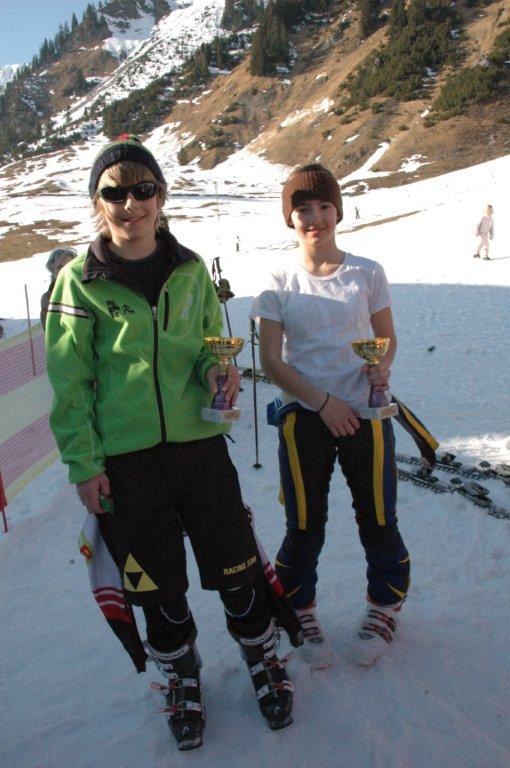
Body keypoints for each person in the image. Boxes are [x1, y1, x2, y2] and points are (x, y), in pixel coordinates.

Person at [45, 135, 293, 751]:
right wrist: (84, 465)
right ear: (97, 202)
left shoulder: (190, 270)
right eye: (114, 193)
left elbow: (210, 347)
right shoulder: (78, 282)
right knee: (156, 587)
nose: (130, 204)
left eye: (143, 189)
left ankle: (262, 656)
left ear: (160, 196)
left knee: (236, 569)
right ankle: (182, 676)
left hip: (199, 449)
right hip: (127, 462)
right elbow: (70, 384)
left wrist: (219, 373)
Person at [251, 163, 410, 669]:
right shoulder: (278, 280)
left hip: (367, 413)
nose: (315, 217)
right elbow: (271, 361)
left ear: (338, 211)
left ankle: (384, 605)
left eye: (324, 206)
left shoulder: (367, 272)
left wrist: (381, 367)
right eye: (302, 209)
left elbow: (385, 339)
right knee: (304, 524)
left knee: (378, 518)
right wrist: (322, 402)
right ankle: (299, 610)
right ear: (290, 218)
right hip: (305, 416)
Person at [40, 246, 77, 328]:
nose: (65, 270)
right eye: (60, 267)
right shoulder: (48, 298)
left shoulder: (88, 290)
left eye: (70, 265)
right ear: (52, 270)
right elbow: (50, 330)